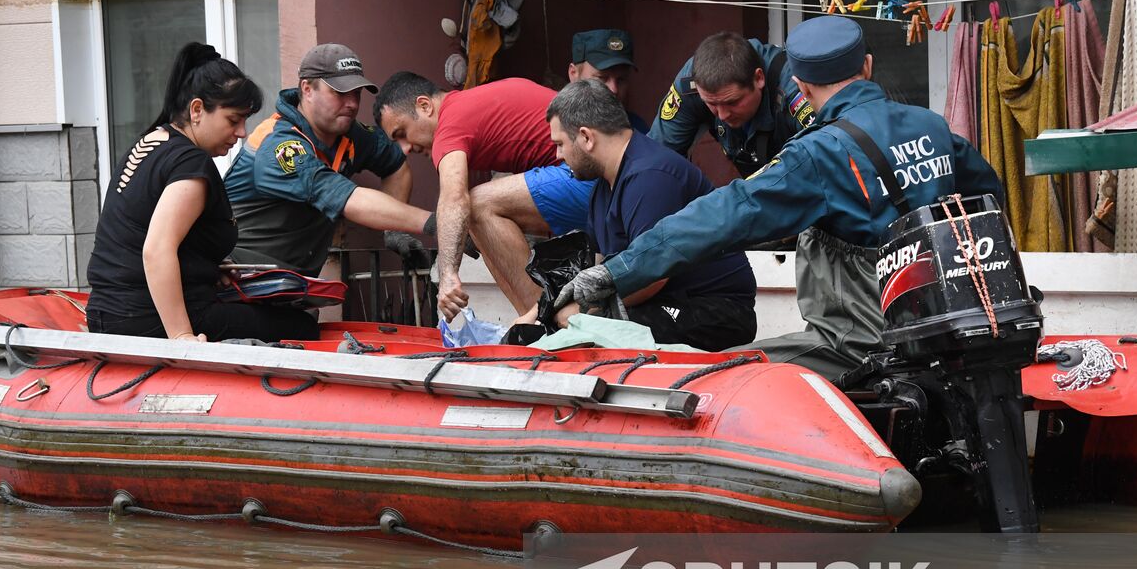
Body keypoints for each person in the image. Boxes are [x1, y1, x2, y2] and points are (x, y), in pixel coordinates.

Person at [557, 15, 1005, 380]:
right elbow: (988, 196)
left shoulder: (817, 153)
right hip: (944, 327)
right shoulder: (930, 125)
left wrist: (617, 271)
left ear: (803, 88)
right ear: (866, 67)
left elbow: (722, 215)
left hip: (859, 343)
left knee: (721, 378)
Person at [86, 43, 319, 343]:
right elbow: (155, 250)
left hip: (106, 313)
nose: (242, 133)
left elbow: (136, 233)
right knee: (302, 326)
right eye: (233, 120)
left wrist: (204, 266)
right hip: (144, 318)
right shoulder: (191, 165)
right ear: (197, 110)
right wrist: (182, 336)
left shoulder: (152, 142)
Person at [532, 79, 756, 350]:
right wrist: (537, 314)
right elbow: (596, 268)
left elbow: (652, 276)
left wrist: (581, 313)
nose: (558, 155)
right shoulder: (603, 186)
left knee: (587, 335)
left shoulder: (650, 176)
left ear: (586, 137)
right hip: (664, 300)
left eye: (560, 144)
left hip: (716, 309)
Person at [374, 73, 593, 320]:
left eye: (402, 133)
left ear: (425, 106)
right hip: (589, 179)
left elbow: (453, 198)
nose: (405, 148)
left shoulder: (451, 122)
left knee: (476, 205)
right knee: (476, 212)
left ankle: (543, 322)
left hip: (591, 179)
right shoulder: (470, 105)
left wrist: (447, 276)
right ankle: (536, 320)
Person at [223, 44, 431, 276]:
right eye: (340, 93)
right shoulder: (279, 143)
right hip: (237, 275)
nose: (352, 103)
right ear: (307, 89)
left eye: (357, 93)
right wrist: (434, 222)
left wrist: (394, 231)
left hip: (292, 282)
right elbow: (342, 197)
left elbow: (396, 166)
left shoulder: (351, 134)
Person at [650, 31, 815, 178]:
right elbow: (656, 159)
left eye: (732, 102)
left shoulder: (795, 87)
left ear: (759, 78)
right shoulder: (691, 84)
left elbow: (826, 161)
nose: (722, 115)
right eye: (712, 103)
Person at [567, 28, 649, 133]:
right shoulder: (554, 129)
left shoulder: (638, 129)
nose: (613, 89)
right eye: (602, 78)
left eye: (621, 80)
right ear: (574, 74)